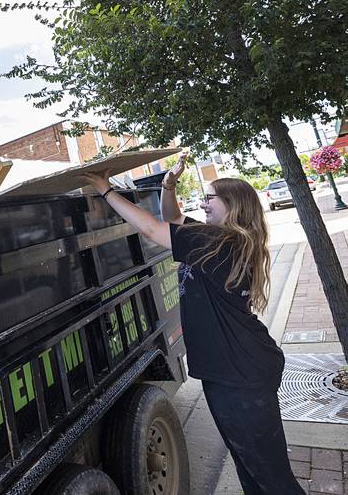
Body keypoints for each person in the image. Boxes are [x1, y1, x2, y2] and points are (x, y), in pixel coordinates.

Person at [80, 154, 303, 495]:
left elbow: (153, 229)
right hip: (232, 371)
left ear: (233, 204)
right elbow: (172, 219)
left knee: (272, 478)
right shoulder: (221, 238)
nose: (204, 201)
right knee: (250, 469)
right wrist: (168, 184)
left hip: (240, 376)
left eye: (210, 197)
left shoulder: (221, 242)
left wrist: (106, 190)